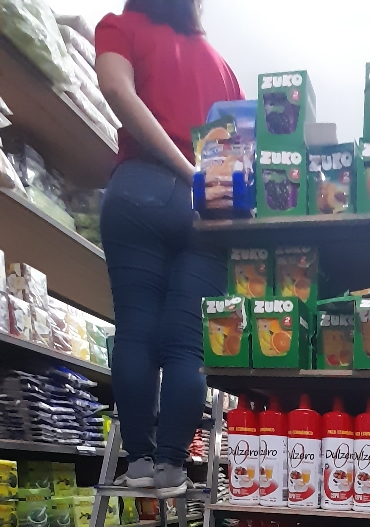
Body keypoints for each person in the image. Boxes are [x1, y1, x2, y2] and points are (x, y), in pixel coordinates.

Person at [96, 0, 242, 496]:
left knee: (136, 329)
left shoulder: (121, 27)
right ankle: (172, 466)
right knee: (187, 345)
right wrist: (199, 180)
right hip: (207, 211)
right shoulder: (223, 69)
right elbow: (237, 156)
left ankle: (139, 462)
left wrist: (181, 169)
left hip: (138, 189)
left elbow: (116, 88)